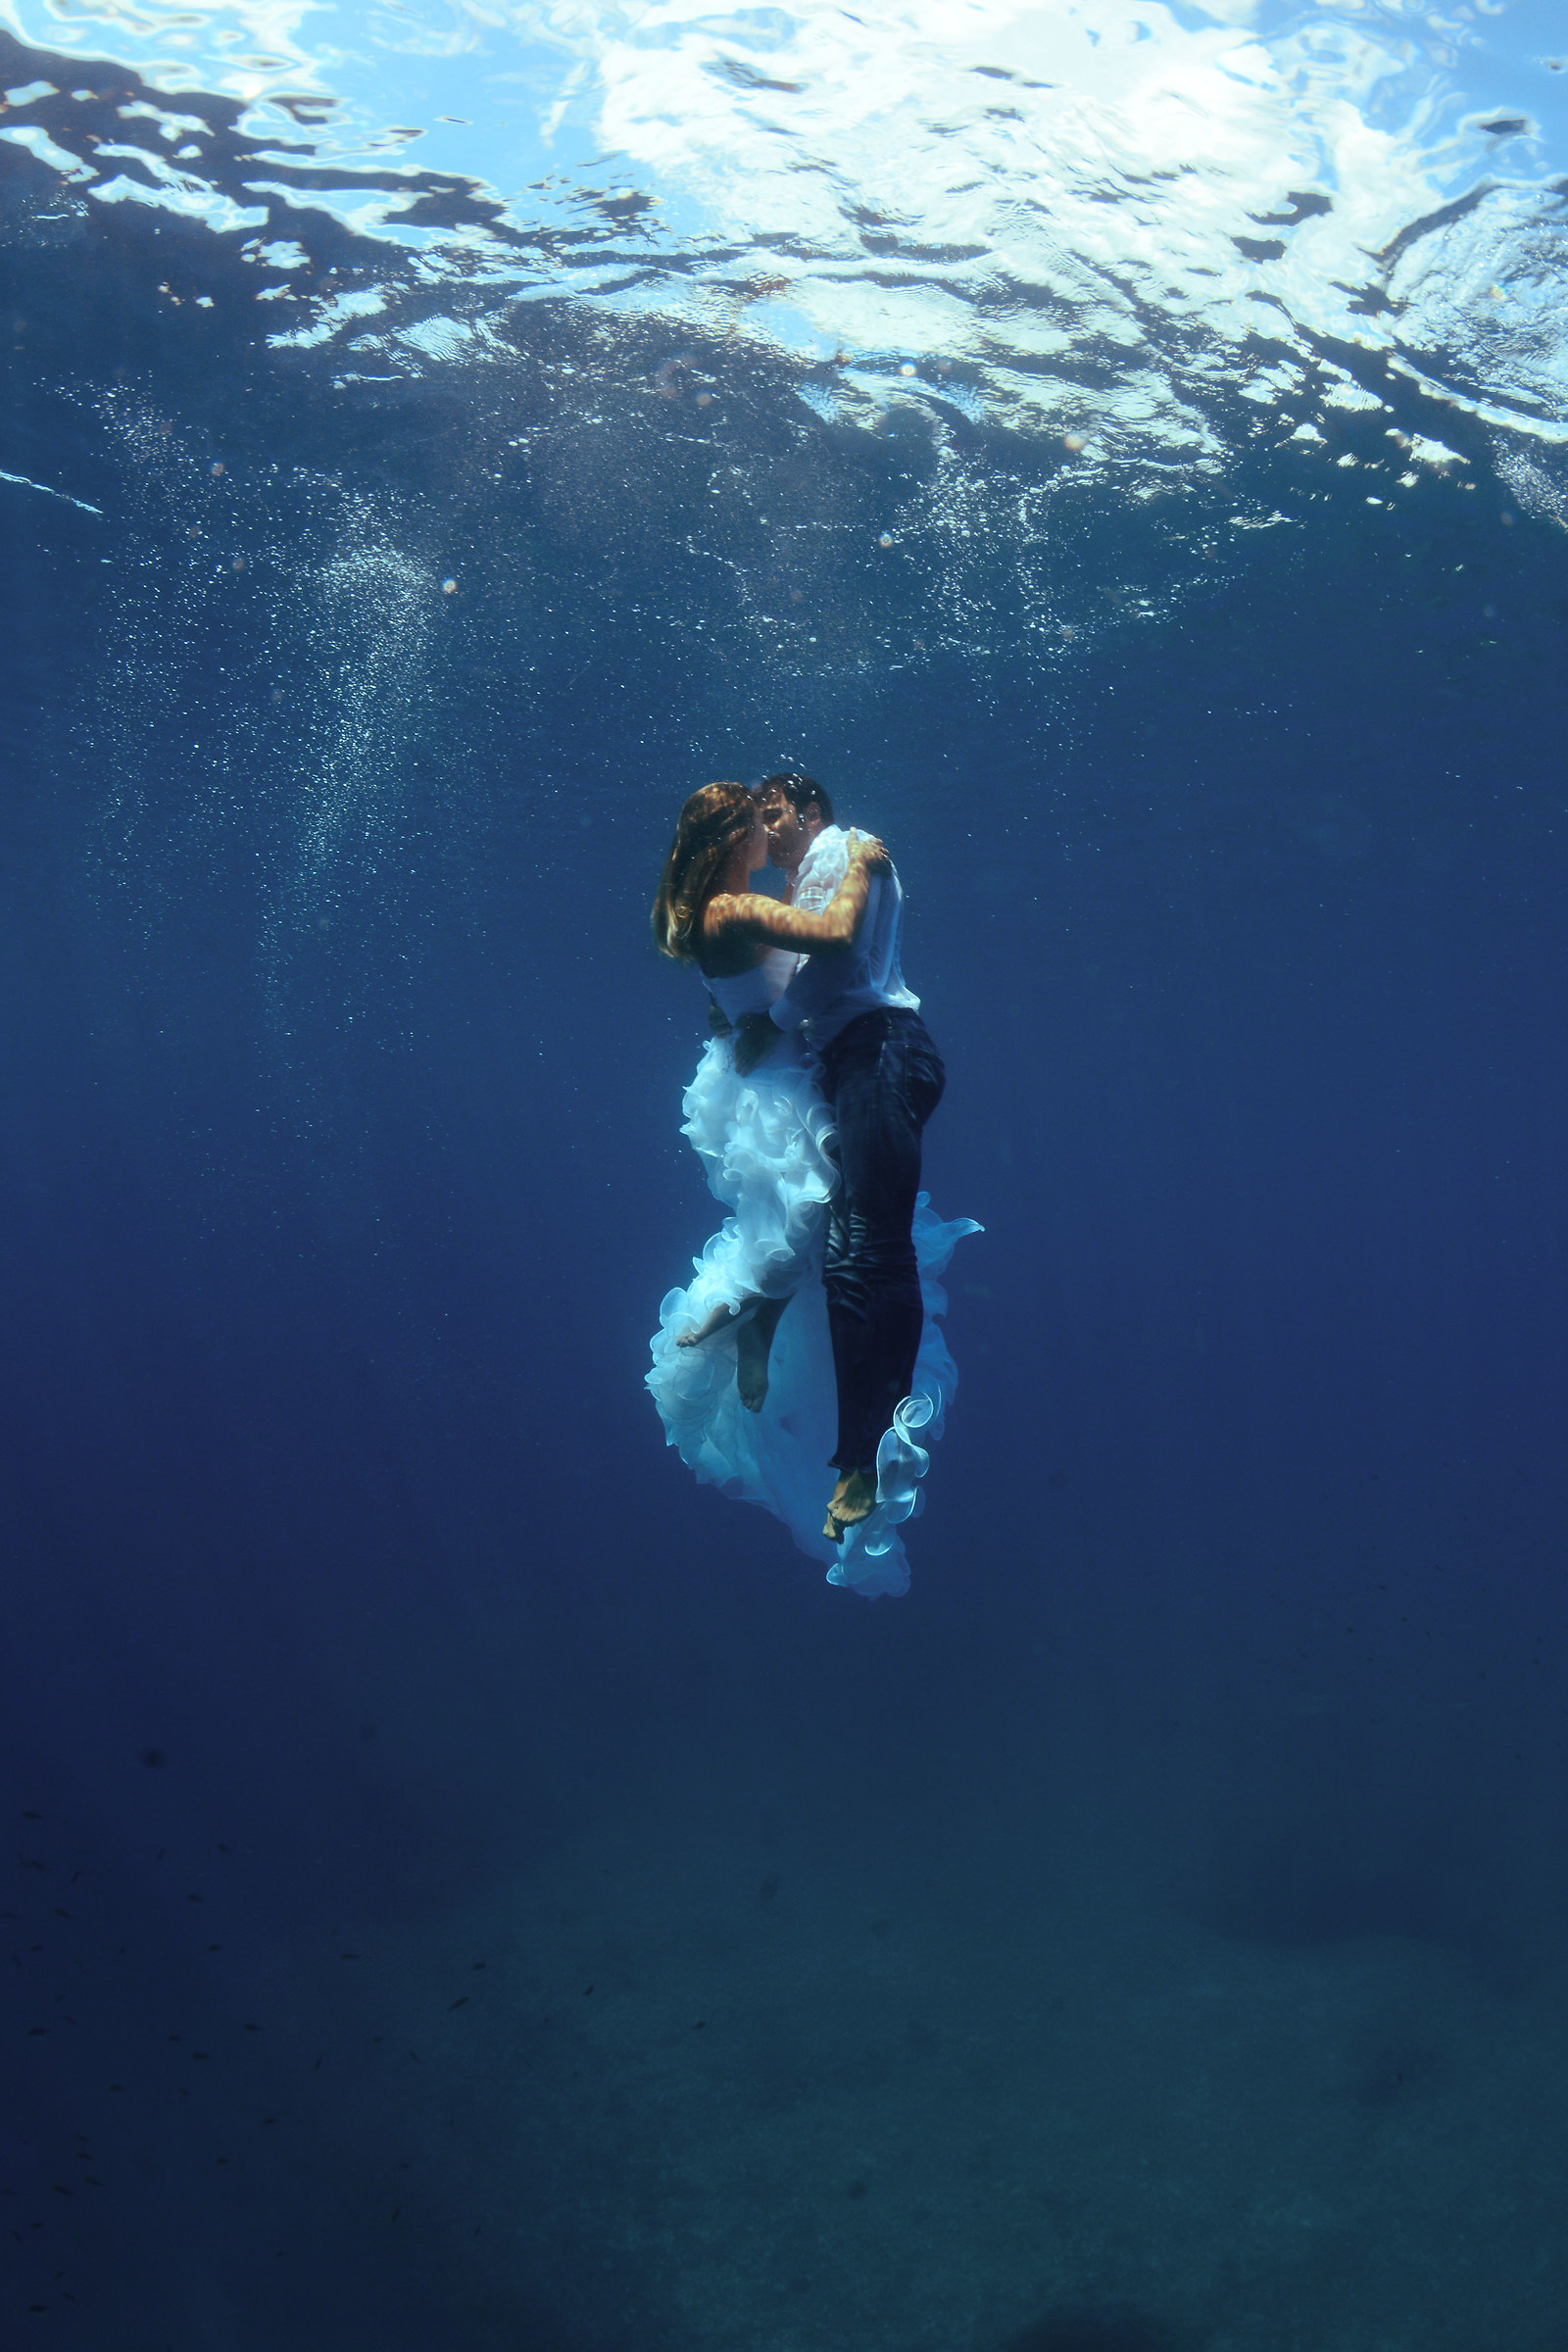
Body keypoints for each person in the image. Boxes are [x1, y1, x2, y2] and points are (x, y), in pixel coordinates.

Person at [646, 777, 978, 1598]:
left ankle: (759, 1318)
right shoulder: (735, 907)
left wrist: (749, 1022)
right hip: (797, 1078)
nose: (766, 829)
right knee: (834, 1224)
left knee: (834, 1224)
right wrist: (865, 862)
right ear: (733, 839)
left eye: (774, 813)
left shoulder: (720, 907)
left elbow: (761, 992)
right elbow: (830, 936)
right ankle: (765, 1323)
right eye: (753, 821)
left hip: (809, 1068)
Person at [745, 772, 956, 1544]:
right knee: (848, 1257)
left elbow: (836, 964)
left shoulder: (843, 846)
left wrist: (773, 1019)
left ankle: (865, 1457)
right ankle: (861, 1452)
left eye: (774, 815)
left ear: (810, 813)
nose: (764, 830)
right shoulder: (816, 870)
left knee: (872, 1251)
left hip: (881, 1052)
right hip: (860, 1060)